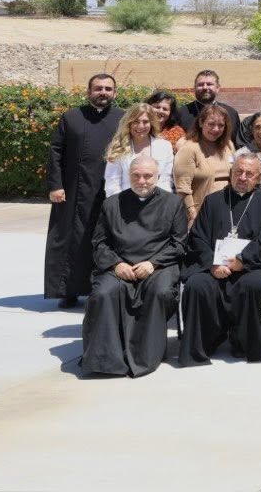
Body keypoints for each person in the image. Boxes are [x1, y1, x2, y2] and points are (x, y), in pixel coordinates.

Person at [80, 156, 187, 378]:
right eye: (136, 176)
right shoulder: (111, 204)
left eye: (148, 176)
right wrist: (116, 264)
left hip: (158, 265)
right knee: (103, 293)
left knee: (160, 292)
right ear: (129, 177)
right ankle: (105, 359)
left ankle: (146, 356)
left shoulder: (173, 203)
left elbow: (179, 244)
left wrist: (153, 263)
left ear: (157, 177)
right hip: (119, 265)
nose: (142, 181)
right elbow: (99, 243)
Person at [179, 152, 261, 365]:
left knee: (252, 285)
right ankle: (203, 345)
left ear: (258, 178)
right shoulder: (213, 200)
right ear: (231, 173)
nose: (242, 177)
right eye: (238, 172)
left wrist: (242, 261)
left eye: (249, 174)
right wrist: (213, 264)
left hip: (251, 266)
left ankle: (244, 345)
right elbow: (198, 236)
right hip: (214, 266)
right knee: (197, 285)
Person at [46, 73, 123, 308]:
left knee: (107, 240)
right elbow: (56, 151)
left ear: (114, 93)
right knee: (70, 240)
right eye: (98, 88)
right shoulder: (71, 117)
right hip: (73, 191)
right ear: (88, 92)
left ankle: (102, 289)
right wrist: (55, 185)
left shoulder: (122, 118)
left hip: (111, 191)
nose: (103, 93)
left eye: (108, 89)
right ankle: (67, 290)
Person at [173, 103, 235, 224]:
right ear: (201, 123)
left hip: (226, 211)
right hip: (199, 213)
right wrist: (192, 214)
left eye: (221, 125)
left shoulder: (229, 146)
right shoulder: (189, 149)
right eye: (211, 124)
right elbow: (182, 188)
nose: (216, 129)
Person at [103, 102, 175, 197]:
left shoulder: (164, 146)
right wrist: (117, 208)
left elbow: (165, 180)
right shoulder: (118, 148)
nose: (140, 126)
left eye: (145, 122)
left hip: (156, 205)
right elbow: (112, 183)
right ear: (129, 123)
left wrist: (162, 205)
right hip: (125, 204)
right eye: (135, 122)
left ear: (152, 123)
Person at [178, 70, 241, 144]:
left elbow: (236, 143)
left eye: (209, 84)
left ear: (217, 88)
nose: (205, 87)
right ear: (194, 88)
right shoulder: (180, 113)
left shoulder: (231, 113)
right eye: (200, 84)